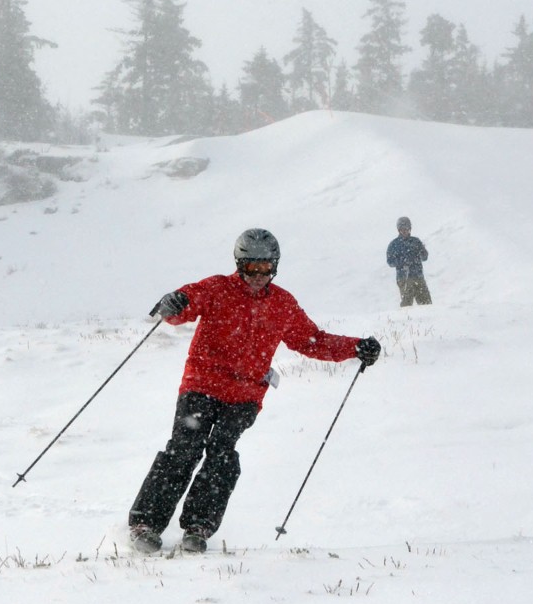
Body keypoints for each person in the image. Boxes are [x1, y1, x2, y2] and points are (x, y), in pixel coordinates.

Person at [127, 228, 382, 554]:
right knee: (184, 449)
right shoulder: (217, 288)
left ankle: (198, 526)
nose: (259, 276)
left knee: (222, 455)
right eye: (252, 268)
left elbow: (310, 340)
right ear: (239, 264)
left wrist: (355, 347)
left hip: (245, 397)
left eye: (267, 269)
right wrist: (174, 303)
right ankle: (145, 523)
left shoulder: (282, 303)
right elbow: (186, 304)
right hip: (201, 386)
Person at [386, 216, 431, 306]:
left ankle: (427, 318)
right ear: (398, 230)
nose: (405, 231)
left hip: (418, 276)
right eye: (402, 229)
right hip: (404, 278)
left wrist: (423, 252)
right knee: (407, 304)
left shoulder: (416, 241)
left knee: (426, 304)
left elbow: (424, 257)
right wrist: (403, 262)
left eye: (406, 229)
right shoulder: (394, 244)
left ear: (410, 229)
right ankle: (405, 319)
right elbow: (390, 261)